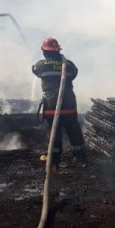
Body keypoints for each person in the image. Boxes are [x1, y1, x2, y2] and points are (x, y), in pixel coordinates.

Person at [32, 37, 86, 167]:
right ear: (58, 50)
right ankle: (81, 158)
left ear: (44, 52)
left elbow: (34, 70)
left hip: (52, 107)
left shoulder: (41, 65)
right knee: (74, 130)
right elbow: (74, 73)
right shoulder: (69, 65)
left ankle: (54, 160)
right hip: (69, 106)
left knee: (54, 132)